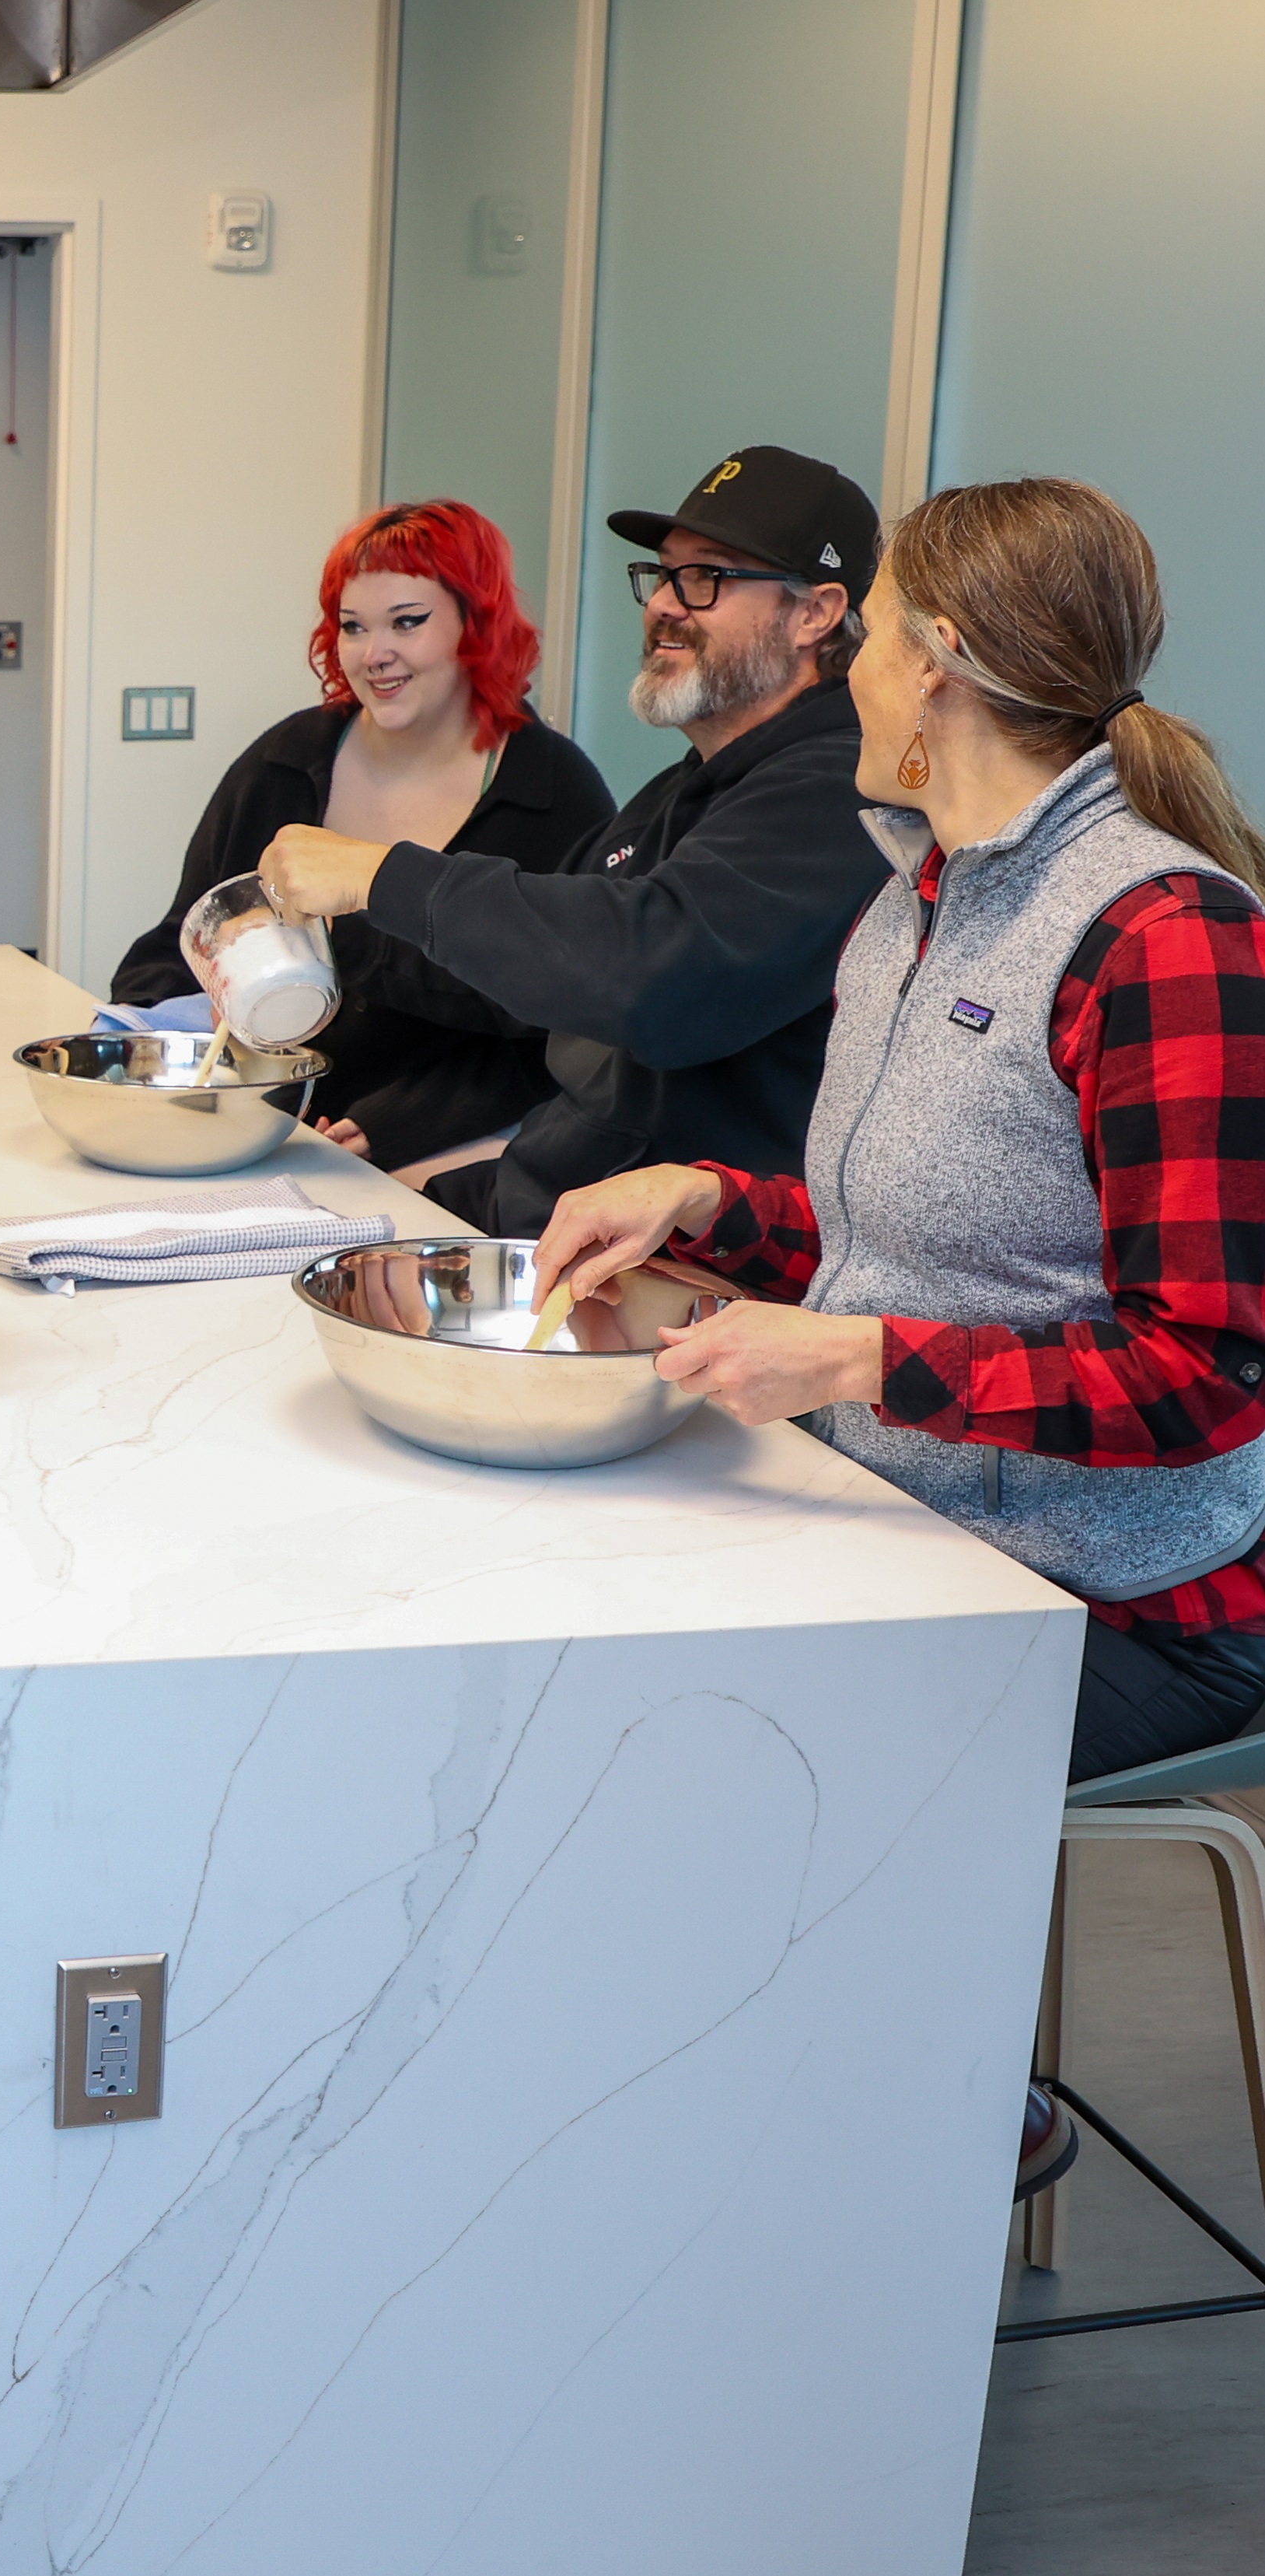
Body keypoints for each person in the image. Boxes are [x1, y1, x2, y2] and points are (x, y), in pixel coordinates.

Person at [533, 478, 1265, 2202]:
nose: (845, 672)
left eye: (861, 640)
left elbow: (1203, 1372)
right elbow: (916, 1239)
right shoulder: (917, 896)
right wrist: (708, 1199)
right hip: (914, 1528)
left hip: (1120, 1601)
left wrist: (850, 1363)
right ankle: (767, 2115)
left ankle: (890, 2130)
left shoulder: (1164, 941)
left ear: (932, 662)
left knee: (715, 1755)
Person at [257, 446, 889, 1232]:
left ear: (816, 613)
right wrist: (316, 942)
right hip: (547, 1202)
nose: (664, 604)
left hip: (676, 1267)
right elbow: (534, 975)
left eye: (707, 578)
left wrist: (383, 876)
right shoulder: (683, 791)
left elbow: (651, 973)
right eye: (662, 576)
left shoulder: (840, 792)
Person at [112, 500, 613, 1180]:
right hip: (253, 1128)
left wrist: (404, 1119)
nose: (375, 655)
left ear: (477, 625)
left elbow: (566, 1027)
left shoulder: (552, 793)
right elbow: (185, 940)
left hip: (439, 1154)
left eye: (407, 622)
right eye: (353, 627)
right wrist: (144, 1047)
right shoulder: (285, 762)